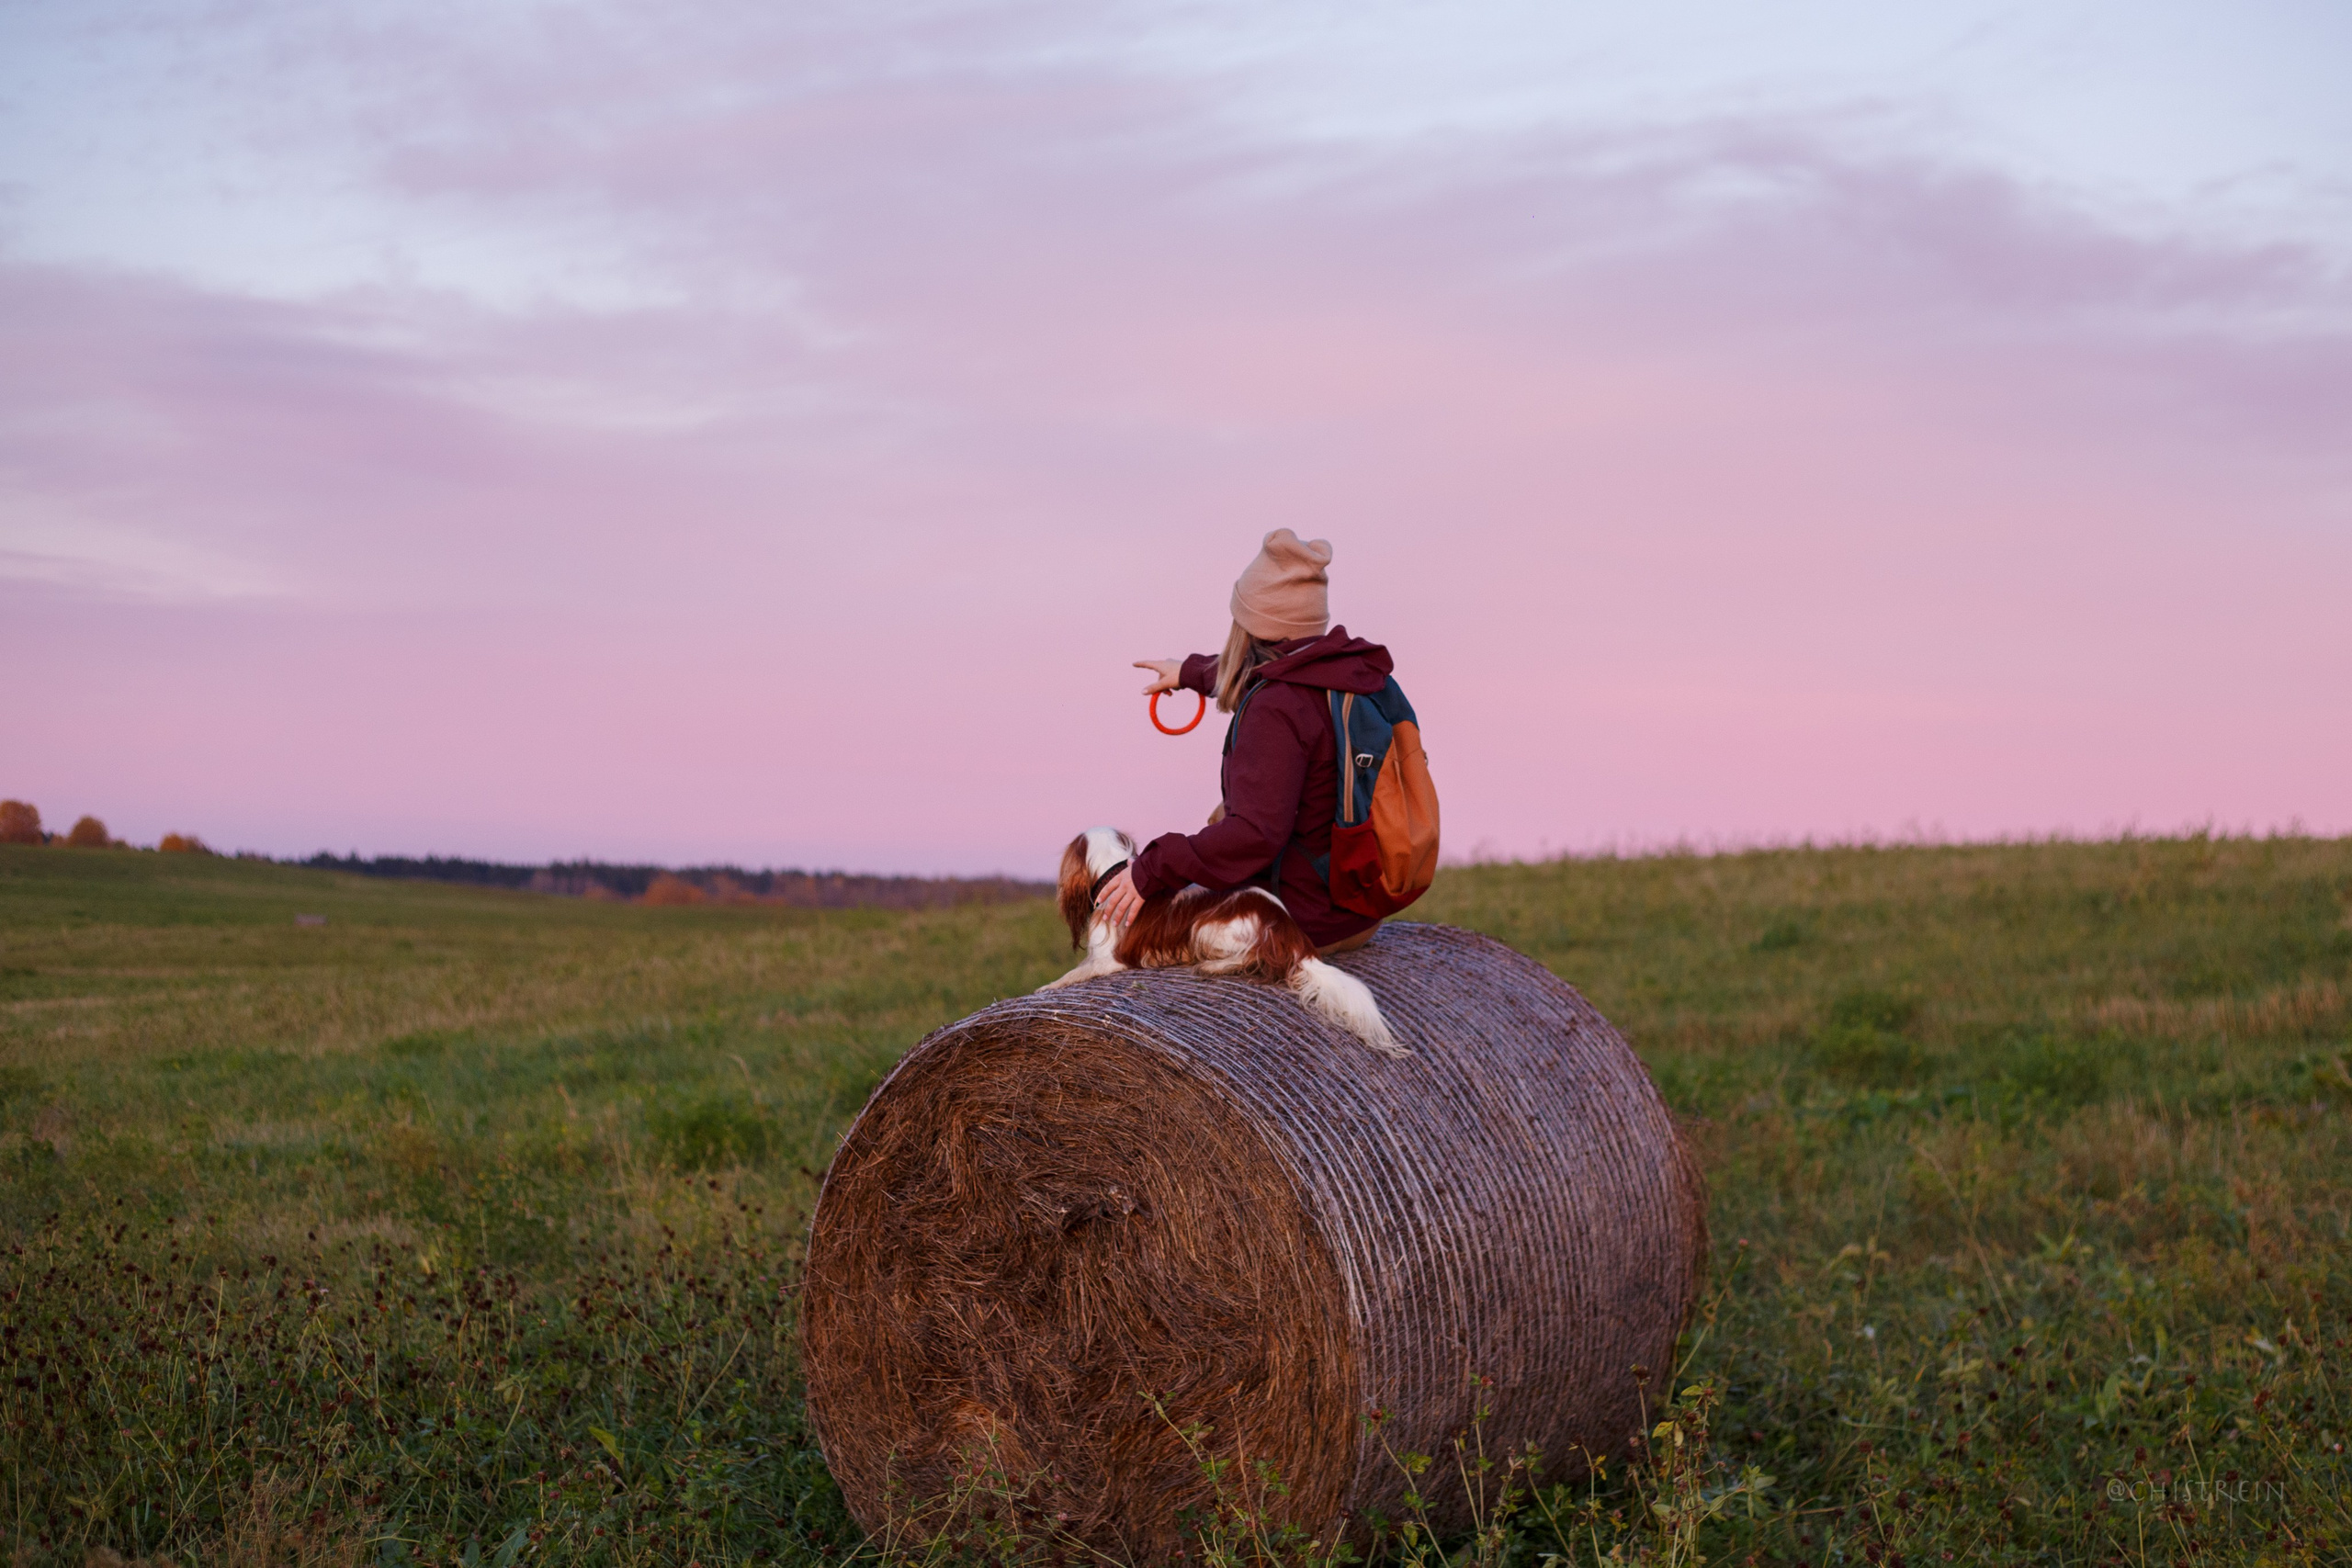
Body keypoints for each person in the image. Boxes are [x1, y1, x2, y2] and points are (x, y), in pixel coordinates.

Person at [1097, 528, 1397, 955]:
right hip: (1354, 912)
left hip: (1295, 923)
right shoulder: (1345, 675)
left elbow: (1254, 835)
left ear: (1253, 624)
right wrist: (1191, 672)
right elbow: (1264, 671)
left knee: (1141, 940)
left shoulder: (1274, 709)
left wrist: (1153, 867)